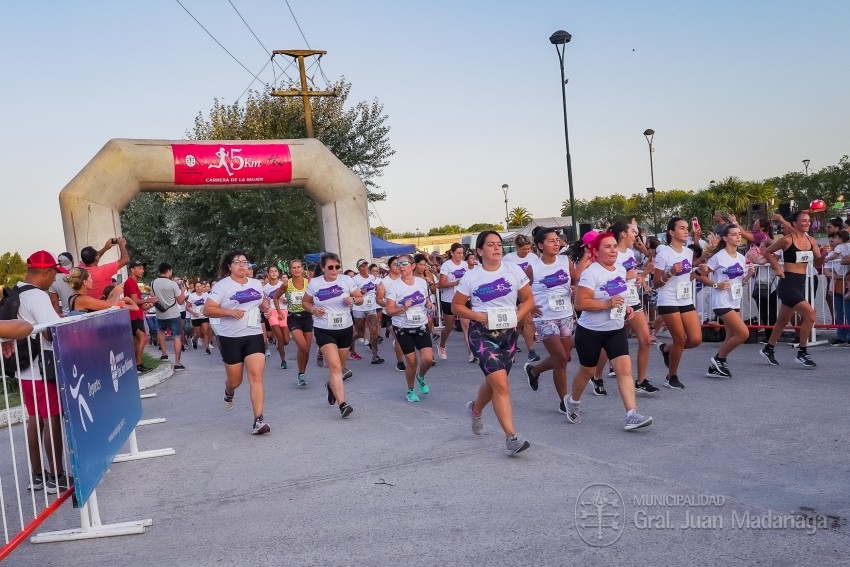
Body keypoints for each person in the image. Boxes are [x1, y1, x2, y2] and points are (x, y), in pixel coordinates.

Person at [454, 231, 535, 456]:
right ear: (480, 251)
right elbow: (457, 306)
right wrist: (481, 317)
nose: (497, 248)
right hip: (482, 334)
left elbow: (529, 299)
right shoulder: (472, 276)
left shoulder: (514, 270)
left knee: (495, 381)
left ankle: (475, 409)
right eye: (490, 245)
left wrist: (518, 317)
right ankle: (512, 437)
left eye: (499, 244)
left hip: (508, 333)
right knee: (501, 384)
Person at [562, 232, 653, 431]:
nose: (613, 250)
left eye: (614, 246)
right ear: (595, 251)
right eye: (607, 247)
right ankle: (573, 401)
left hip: (615, 328)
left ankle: (632, 414)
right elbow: (580, 303)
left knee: (625, 371)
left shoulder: (620, 270)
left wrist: (626, 308)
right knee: (587, 372)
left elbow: (618, 297)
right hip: (591, 331)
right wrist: (606, 304)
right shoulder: (591, 272)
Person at [16, 251, 70, 493]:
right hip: (41, 369)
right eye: (54, 274)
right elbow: (52, 331)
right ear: (45, 272)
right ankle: (56, 476)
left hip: (23, 370)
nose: (54, 280)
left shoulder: (15, 291)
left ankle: (37, 475)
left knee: (34, 420)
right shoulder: (38, 296)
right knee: (52, 420)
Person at [203, 251, 271, 435]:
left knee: (256, 376)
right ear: (229, 266)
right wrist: (229, 312)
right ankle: (229, 391)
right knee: (235, 380)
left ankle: (258, 419)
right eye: (237, 262)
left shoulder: (256, 283)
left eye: (244, 262)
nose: (242, 265)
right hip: (230, 338)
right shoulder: (223, 286)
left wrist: (266, 308)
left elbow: (262, 301)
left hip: (254, 334)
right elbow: (207, 309)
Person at [302, 253, 364, 419]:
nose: (334, 270)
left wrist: (353, 299)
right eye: (330, 267)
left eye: (337, 266)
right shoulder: (315, 283)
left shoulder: (346, 280)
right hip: (324, 329)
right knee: (335, 367)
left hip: (344, 329)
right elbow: (305, 302)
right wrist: (314, 310)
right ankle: (343, 404)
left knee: (339, 368)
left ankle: (331, 386)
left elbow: (360, 298)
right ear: (323, 268)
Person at [759, 211, 823, 367]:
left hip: (800, 283)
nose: (807, 223)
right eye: (803, 221)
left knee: (782, 321)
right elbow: (767, 252)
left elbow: (818, 263)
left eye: (808, 221)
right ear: (794, 223)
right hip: (787, 283)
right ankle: (802, 352)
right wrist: (776, 268)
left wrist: (825, 253)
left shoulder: (811, 240)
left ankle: (768, 348)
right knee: (810, 316)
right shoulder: (787, 240)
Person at [523, 227, 574, 413]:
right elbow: (521, 291)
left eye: (557, 240)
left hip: (566, 315)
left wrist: (576, 289)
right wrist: (530, 305)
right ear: (540, 245)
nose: (556, 243)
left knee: (563, 359)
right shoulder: (533, 267)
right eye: (551, 240)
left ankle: (534, 371)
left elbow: (575, 280)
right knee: (560, 358)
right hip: (545, 318)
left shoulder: (565, 261)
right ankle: (564, 402)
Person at [698, 224, 755, 377]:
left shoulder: (742, 258)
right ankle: (719, 358)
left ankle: (714, 368)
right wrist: (717, 284)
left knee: (731, 336)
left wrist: (748, 275)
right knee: (743, 333)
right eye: (734, 234)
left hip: (735, 301)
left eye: (739, 234)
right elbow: (701, 276)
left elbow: (740, 283)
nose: (738, 237)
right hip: (721, 302)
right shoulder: (718, 257)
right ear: (725, 238)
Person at [653, 217, 704, 389]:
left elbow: (686, 277)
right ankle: (671, 376)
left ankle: (666, 349)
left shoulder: (689, 253)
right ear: (671, 232)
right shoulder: (663, 254)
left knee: (696, 339)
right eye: (682, 228)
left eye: (687, 228)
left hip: (685, 298)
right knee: (680, 339)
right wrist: (670, 272)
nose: (686, 231)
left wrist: (697, 272)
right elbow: (656, 283)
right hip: (668, 299)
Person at [384, 254, 435, 402]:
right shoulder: (394, 286)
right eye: (398, 264)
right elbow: (389, 310)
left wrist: (429, 304)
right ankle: (410, 390)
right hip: (402, 327)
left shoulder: (420, 282)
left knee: (428, 360)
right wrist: (403, 307)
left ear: (413, 266)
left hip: (420, 324)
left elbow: (425, 299)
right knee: (412, 361)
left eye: (404, 263)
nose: (401, 266)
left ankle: (421, 377)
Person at [503, 234, 540, 362]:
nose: (527, 251)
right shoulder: (508, 259)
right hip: (514, 293)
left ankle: (531, 350)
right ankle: (511, 347)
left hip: (527, 292)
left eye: (529, 248)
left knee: (528, 320)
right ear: (517, 247)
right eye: (524, 249)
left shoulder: (533, 257)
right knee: (516, 323)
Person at [277, 259, 312, 386]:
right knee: (302, 346)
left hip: (307, 317)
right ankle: (301, 373)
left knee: (307, 350)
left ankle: (302, 373)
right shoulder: (287, 284)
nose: (296, 270)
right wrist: (280, 312)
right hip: (293, 318)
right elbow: (276, 298)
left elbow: (315, 297)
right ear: (290, 270)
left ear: (302, 269)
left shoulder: (309, 283)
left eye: (298, 267)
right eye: (293, 268)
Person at [437, 243, 474, 362]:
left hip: (463, 299)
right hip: (449, 299)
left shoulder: (464, 264)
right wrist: (455, 283)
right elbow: (440, 284)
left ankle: (471, 353)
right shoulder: (446, 265)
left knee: (466, 326)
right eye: (457, 253)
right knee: (449, 327)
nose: (460, 255)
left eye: (462, 253)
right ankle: (442, 344)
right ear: (452, 253)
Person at [151, 263, 187, 369]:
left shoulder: (153, 283)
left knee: (161, 332)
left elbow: (153, 297)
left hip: (160, 314)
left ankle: (164, 354)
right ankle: (177, 362)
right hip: (173, 314)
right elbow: (180, 302)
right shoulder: (173, 284)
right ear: (169, 271)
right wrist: (183, 291)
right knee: (176, 337)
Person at [124, 260, 156, 372]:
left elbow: (138, 304)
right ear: (132, 270)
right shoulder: (131, 282)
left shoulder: (133, 282)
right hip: (133, 316)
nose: (142, 270)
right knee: (143, 338)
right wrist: (148, 299)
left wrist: (149, 304)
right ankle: (138, 364)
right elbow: (135, 301)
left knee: (137, 341)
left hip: (136, 315)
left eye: (142, 268)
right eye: (139, 268)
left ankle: (136, 364)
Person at [351, 258, 384, 364]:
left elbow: (379, 289)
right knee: (360, 334)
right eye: (362, 266)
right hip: (359, 308)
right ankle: (346, 343)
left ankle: (375, 356)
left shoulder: (372, 277)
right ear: (358, 268)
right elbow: (350, 293)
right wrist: (360, 292)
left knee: (374, 332)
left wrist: (379, 290)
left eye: (366, 265)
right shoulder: (355, 279)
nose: (364, 268)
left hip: (371, 307)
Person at [62, 267, 138, 313]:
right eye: (90, 278)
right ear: (85, 282)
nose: (92, 280)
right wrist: (116, 293)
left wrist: (112, 294)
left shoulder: (73, 298)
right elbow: (110, 305)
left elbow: (105, 304)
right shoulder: (83, 299)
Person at [262, 266, 289, 368]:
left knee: (286, 340)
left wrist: (284, 299)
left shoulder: (283, 285)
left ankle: (279, 344)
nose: (273, 273)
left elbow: (288, 299)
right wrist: (266, 306)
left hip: (283, 312)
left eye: (275, 271)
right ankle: (283, 361)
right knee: (280, 337)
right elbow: (263, 303)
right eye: (271, 271)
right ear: (268, 274)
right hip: (272, 312)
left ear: (278, 274)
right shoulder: (265, 288)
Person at [186, 281, 213, 354]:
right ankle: (194, 339)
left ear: (202, 287)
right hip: (195, 317)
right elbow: (187, 307)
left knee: (205, 331)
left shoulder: (206, 295)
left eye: (200, 286)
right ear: (195, 288)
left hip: (204, 316)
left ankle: (207, 349)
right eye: (197, 286)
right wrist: (193, 313)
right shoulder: (192, 296)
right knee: (199, 334)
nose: (198, 288)